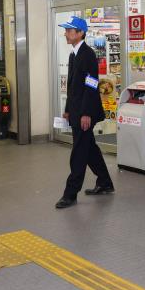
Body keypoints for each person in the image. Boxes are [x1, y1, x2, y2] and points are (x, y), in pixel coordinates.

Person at [55, 16, 114, 209]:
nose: (66, 33)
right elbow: (73, 86)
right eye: (66, 30)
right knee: (89, 148)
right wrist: (67, 110)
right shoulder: (74, 54)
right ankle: (105, 182)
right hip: (76, 110)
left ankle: (70, 193)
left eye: (69, 30)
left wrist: (86, 113)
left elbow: (91, 84)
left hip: (85, 112)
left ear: (80, 33)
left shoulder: (87, 55)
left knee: (79, 152)